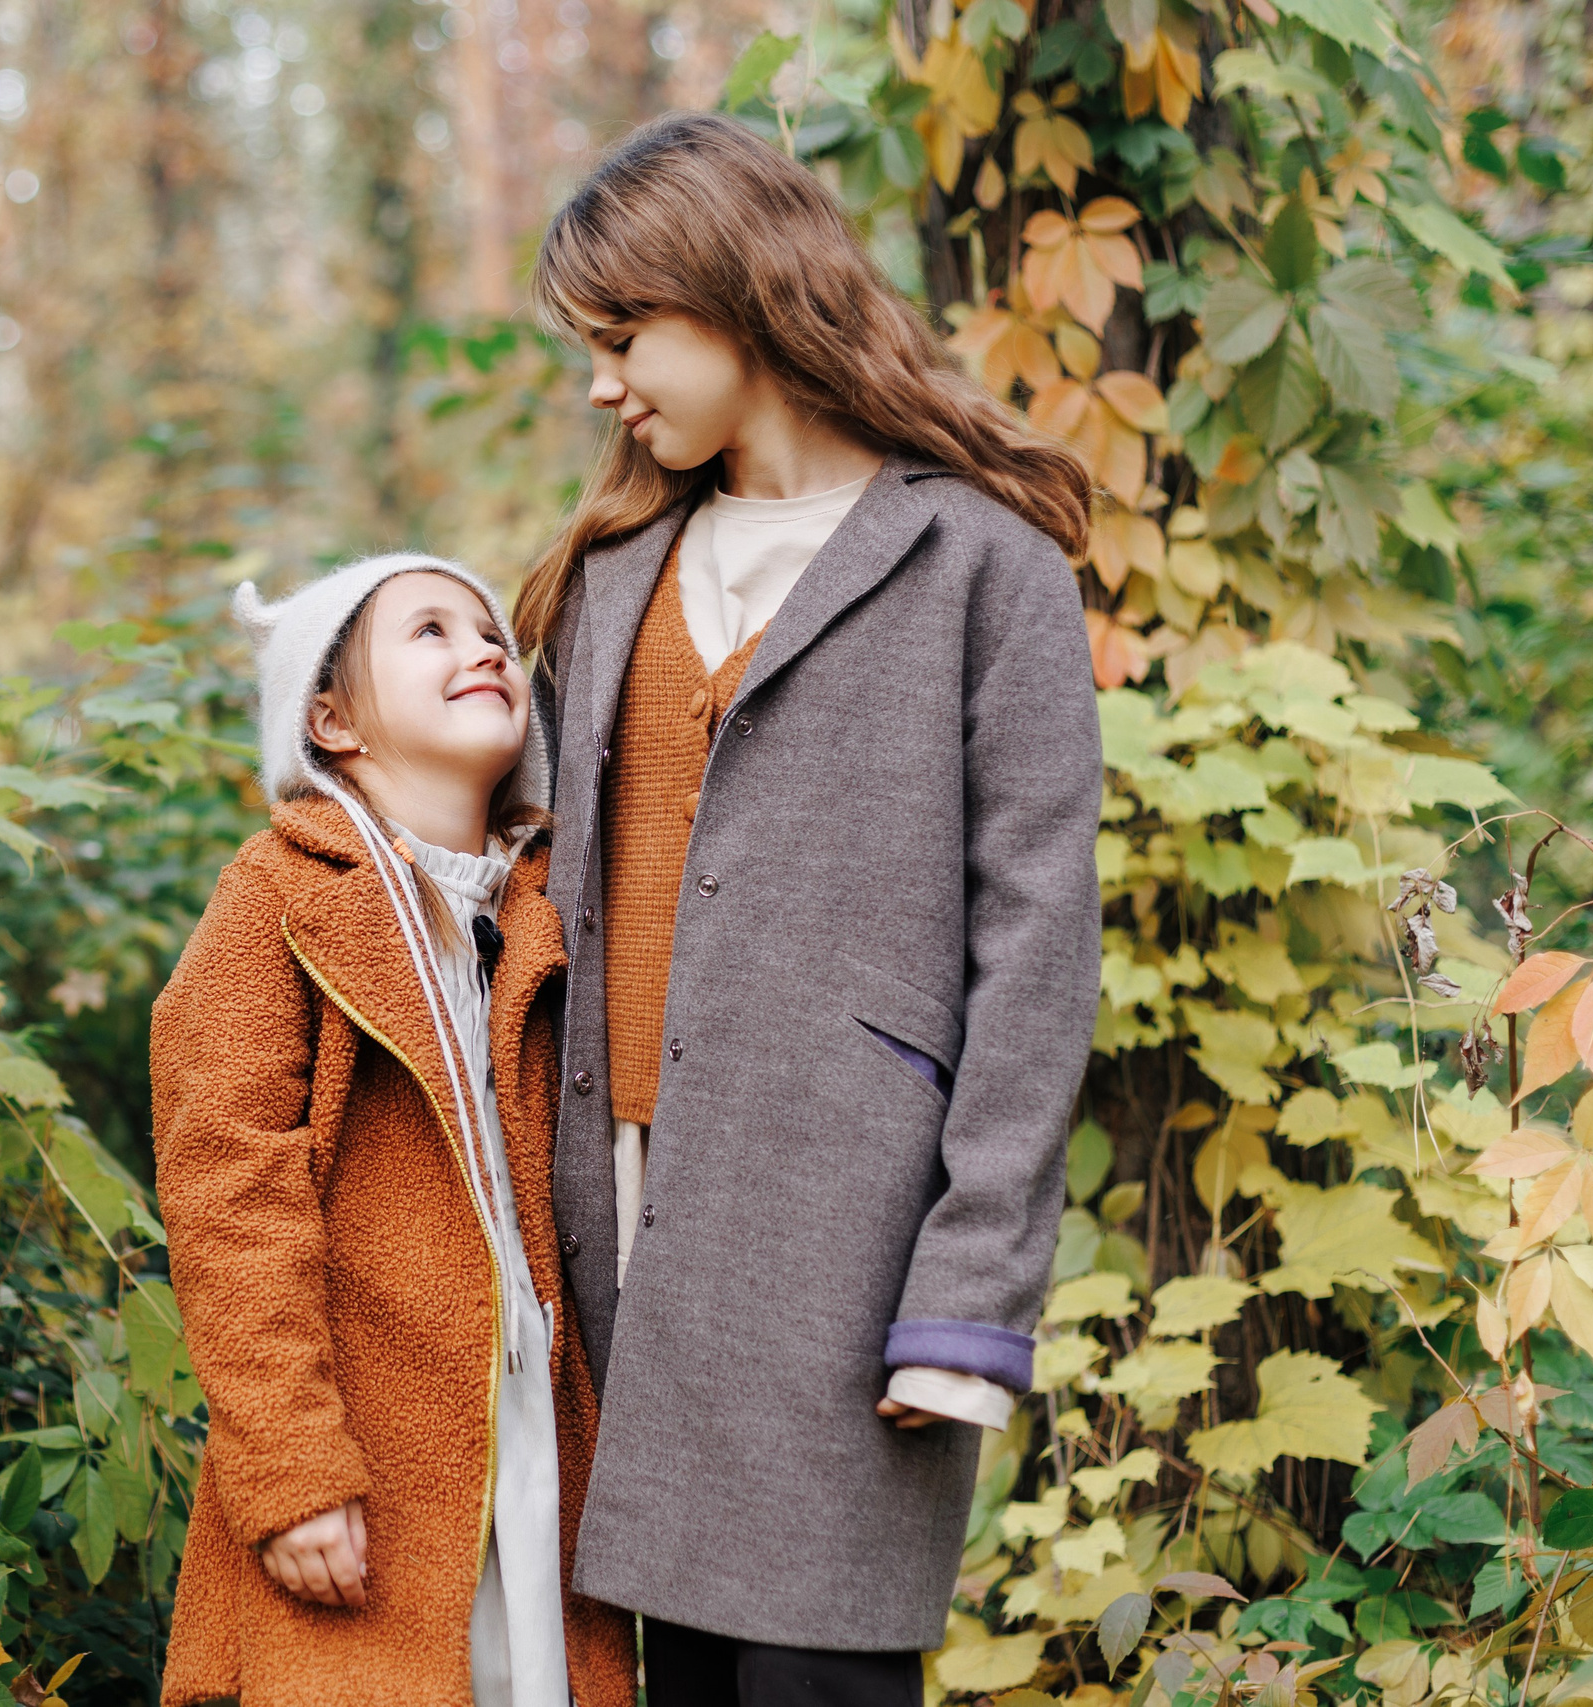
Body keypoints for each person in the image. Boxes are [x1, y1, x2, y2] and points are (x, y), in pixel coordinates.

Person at [514, 112, 1105, 1705]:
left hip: (846, 1245)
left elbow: (1037, 953)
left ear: (739, 293)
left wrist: (969, 1290)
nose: (601, 384)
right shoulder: (609, 571)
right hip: (609, 1224)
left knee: (815, 1672)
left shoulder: (985, 567)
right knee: (674, 1679)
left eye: (626, 336)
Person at [152, 554, 635, 1707]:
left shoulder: (545, 909)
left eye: (488, 633)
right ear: (330, 717)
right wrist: (290, 1470)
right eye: (429, 631)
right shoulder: (279, 895)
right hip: (366, 1444)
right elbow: (229, 1195)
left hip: (540, 1430)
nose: (482, 649)